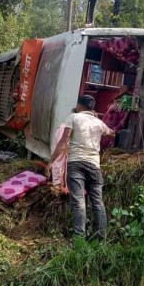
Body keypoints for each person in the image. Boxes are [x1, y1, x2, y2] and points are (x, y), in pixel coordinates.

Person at [47, 95, 115, 241]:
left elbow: (63, 142)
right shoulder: (98, 122)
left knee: (78, 201)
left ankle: (79, 239)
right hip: (94, 166)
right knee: (98, 201)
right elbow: (111, 132)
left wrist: (51, 161)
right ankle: (101, 238)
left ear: (79, 105)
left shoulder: (74, 117)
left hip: (76, 164)